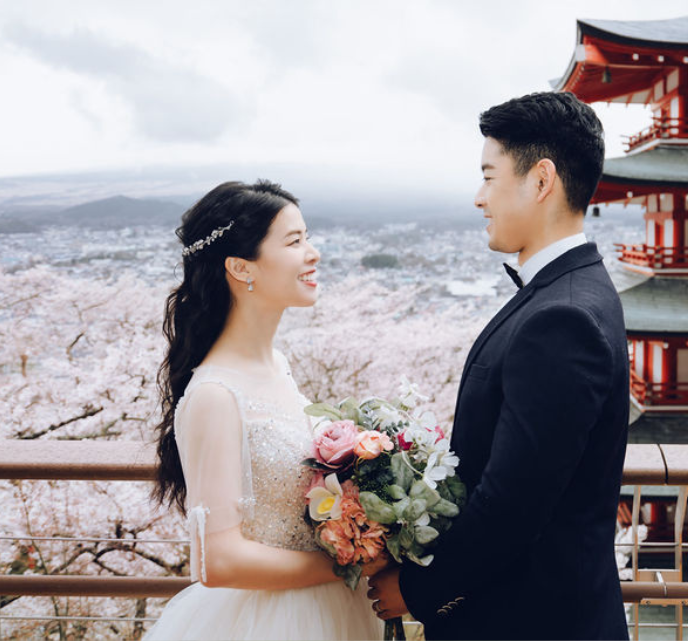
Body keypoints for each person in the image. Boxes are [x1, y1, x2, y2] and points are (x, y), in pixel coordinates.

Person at [367, 92, 631, 639]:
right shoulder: (576, 292)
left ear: (540, 181)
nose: (478, 198)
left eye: (489, 177)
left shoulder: (561, 318)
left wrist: (420, 590)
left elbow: (515, 504)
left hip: (530, 621)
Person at [147, 180, 383, 640]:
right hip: (268, 622)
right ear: (240, 267)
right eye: (294, 242)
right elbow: (217, 561)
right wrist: (350, 562)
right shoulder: (216, 394)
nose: (313, 253)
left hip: (330, 610)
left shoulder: (277, 365)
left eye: (307, 237)